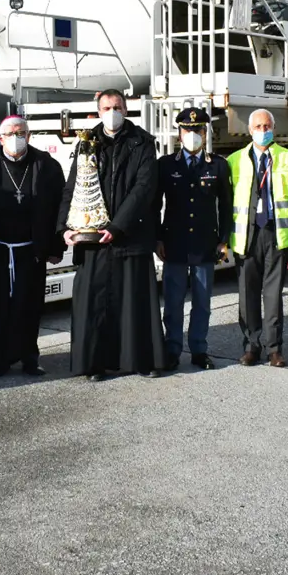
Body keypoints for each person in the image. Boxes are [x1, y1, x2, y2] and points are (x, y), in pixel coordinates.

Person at [58, 89, 167, 379]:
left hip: (130, 236)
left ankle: (142, 360)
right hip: (92, 240)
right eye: (107, 107)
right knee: (95, 304)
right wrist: (65, 227)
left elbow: (143, 189)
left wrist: (117, 226)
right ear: (98, 110)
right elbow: (74, 187)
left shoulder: (142, 142)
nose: (112, 112)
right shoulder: (86, 142)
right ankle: (95, 363)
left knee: (135, 302)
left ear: (126, 109)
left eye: (117, 106)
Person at [0, 115, 64, 376]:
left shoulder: (46, 165)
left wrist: (55, 247)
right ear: (1, 138)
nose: (17, 139)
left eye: (21, 133)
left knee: (29, 306)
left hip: (31, 249)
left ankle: (29, 357)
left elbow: (59, 208)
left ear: (28, 136)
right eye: (11, 134)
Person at [155, 107, 232, 370]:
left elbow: (226, 205)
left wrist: (224, 240)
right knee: (173, 303)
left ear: (205, 132)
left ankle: (199, 349)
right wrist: (157, 238)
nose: (192, 134)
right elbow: (155, 205)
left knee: (202, 302)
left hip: (204, 245)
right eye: (187, 130)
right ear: (179, 133)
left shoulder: (218, 165)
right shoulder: (165, 165)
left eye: (197, 130)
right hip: (174, 244)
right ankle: (172, 349)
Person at [227, 109, 288, 367]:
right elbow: (225, 204)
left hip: (276, 232)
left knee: (273, 294)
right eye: (258, 126)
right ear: (249, 130)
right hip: (246, 235)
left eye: (267, 125)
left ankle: (274, 348)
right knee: (248, 294)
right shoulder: (234, 161)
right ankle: (251, 346)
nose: (263, 130)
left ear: (274, 128)